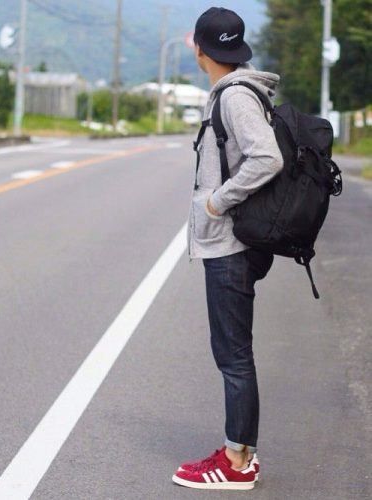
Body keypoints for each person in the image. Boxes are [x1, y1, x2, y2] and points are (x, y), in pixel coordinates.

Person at [172, 7, 284, 491]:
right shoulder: (237, 91)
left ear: (200, 49)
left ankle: (238, 461)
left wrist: (219, 200)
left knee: (234, 355)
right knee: (233, 352)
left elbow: (268, 158)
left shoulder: (234, 97)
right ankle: (240, 452)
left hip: (230, 245)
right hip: (233, 242)